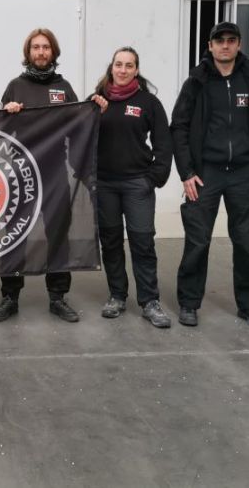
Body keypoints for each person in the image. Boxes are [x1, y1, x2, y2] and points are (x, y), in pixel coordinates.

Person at [171, 21, 249, 329]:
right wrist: (187, 172)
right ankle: (189, 303)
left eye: (231, 40)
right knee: (198, 240)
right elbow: (178, 127)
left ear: (239, 45)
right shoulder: (197, 81)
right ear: (210, 46)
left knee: (245, 241)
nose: (226, 46)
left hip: (242, 173)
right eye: (220, 41)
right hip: (206, 174)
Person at [0, 28, 98, 323]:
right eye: (36, 47)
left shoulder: (64, 87)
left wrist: (93, 105)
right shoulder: (16, 86)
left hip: (54, 174)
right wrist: (6, 111)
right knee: (14, 236)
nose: (40, 52)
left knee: (58, 235)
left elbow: (79, 124)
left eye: (46, 48)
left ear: (53, 53)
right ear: (28, 53)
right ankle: (9, 296)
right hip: (19, 175)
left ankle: (58, 297)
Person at [91, 47, 174, 328]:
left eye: (129, 65)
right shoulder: (96, 100)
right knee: (111, 243)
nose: (123, 70)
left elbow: (164, 142)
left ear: (136, 69)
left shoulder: (148, 102)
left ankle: (150, 301)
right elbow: (79, 136)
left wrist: (154, 178)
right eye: (118, 64)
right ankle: (117, 295)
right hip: (104, 184)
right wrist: (95, 115)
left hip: (137, 184)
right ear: (111, 67)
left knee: (142, 242)